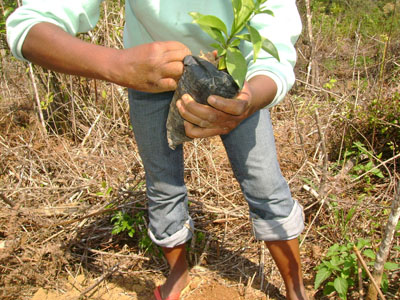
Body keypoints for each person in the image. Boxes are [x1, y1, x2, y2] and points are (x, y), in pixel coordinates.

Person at [7, 1, 308, 299]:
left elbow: (275, 46)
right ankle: (178, 275)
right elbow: (30, 26)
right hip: (151, 77)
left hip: (237, 76)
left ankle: (296, 288)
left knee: (265, 184)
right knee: (163, 184)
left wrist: (249, 100)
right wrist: (118, 65)